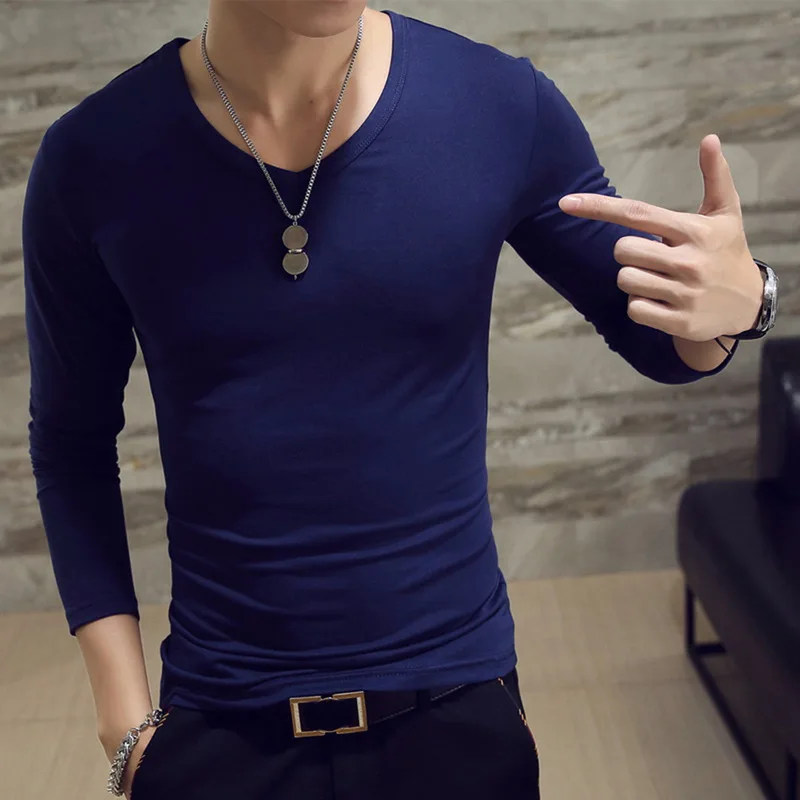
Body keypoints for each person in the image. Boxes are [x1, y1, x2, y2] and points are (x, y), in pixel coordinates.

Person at [22, 2, 778, 799]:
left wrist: (742, 300)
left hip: (455, 713)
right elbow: (71, 443)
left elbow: (666, 343)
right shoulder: (95, 156)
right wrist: (125, 726)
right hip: (219, 723)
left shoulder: (496, 104)